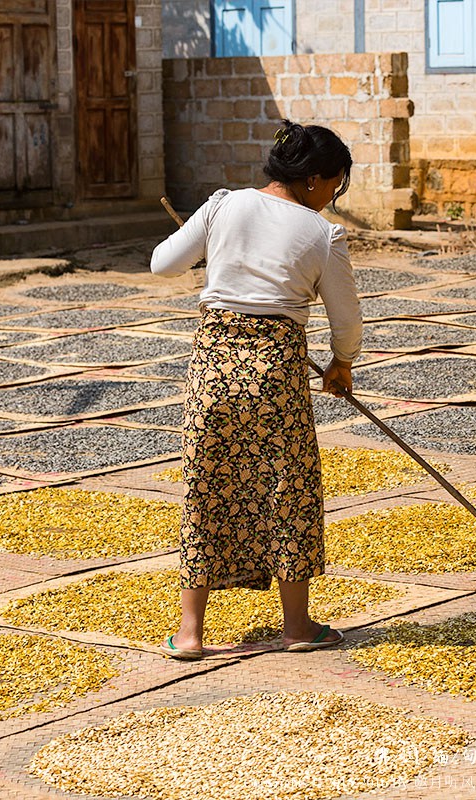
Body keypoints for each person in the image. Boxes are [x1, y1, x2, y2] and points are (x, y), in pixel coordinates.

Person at [149, 120, 359, 660]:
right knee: (287, 485)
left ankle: (190, 634)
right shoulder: (322, 235)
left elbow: (162, 264)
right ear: (313, 179)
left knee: (206, 485)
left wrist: (211, 256)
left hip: (212, 370)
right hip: (276, 374)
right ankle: (296, 627)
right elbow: (346, 320)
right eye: (335, 185)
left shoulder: (224, 205)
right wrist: (341, 364)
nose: (333, 197)